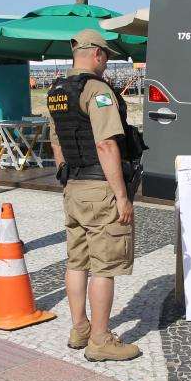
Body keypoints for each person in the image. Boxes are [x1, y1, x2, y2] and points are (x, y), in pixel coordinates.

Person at [47, 28, 145, 362]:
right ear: (97, 54)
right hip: (100, 187)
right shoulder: (97, 91)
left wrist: (64, 172)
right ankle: (101, 341)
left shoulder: (57, 91)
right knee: (104, 266)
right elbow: (105, 144)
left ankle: (80, 329)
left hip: (73, 187)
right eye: (106, 55)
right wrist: (121, 195)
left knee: (77, 261)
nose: (106, 62)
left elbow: (56, 140)